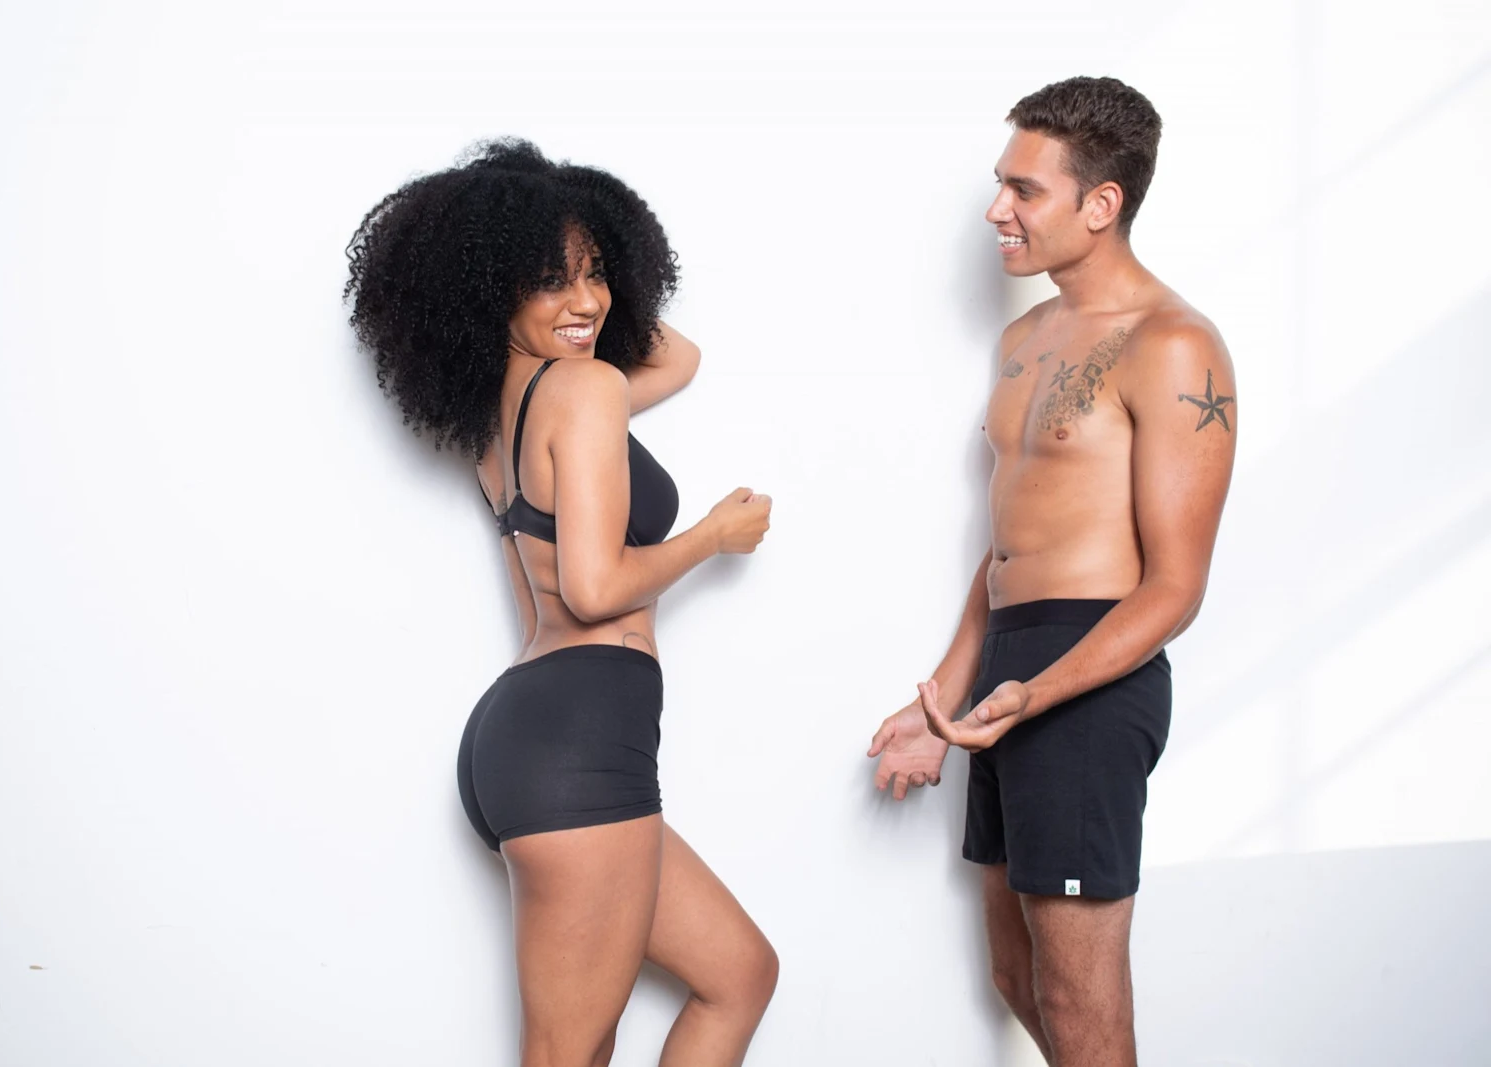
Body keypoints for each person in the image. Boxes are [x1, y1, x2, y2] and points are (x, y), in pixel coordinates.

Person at [345, 139, 778, 1067]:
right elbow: (592, 588)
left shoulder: (498, 421)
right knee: (569, 1051)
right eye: (549, 280)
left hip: (536, 734)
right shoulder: (582, 391)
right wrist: (712, 534)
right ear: (488, 290)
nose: (585, 301)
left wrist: (579, 301)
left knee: (738, 972)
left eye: (597, 272)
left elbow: (679, 357)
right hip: (580, 735)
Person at [868, 77, 1237, 1067]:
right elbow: (1005, 551)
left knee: (1077, 997)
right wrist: (946, 696)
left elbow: (1175, 587)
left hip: (1091, 669)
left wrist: (1034, 693)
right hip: (1009, 660)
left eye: (1024, 189)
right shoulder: (1023, 339)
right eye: (1002, 183)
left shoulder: (1172, 344)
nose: (998, 208)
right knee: (1014, 973)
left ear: (1100, 203)